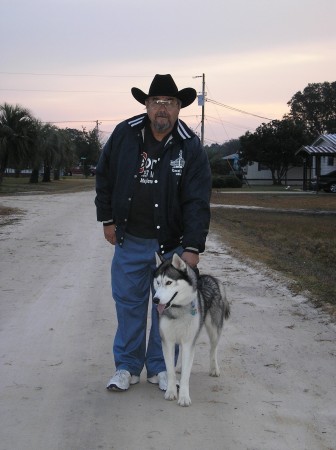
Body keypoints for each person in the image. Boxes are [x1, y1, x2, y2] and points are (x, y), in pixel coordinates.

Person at [95, 74, 212, 392]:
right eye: (156, 101)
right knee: (129, 304)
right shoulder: (125, 133)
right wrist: (107, 218)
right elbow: (104, 174)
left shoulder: (190, 145)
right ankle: (127, 367)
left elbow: (198, 199)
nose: (163, 108)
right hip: (130, 238)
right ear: (146, 105)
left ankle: (161, 369)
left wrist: (193, 246)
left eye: (170, 103)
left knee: (170, 308)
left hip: (172, 246)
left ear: (179, 108)